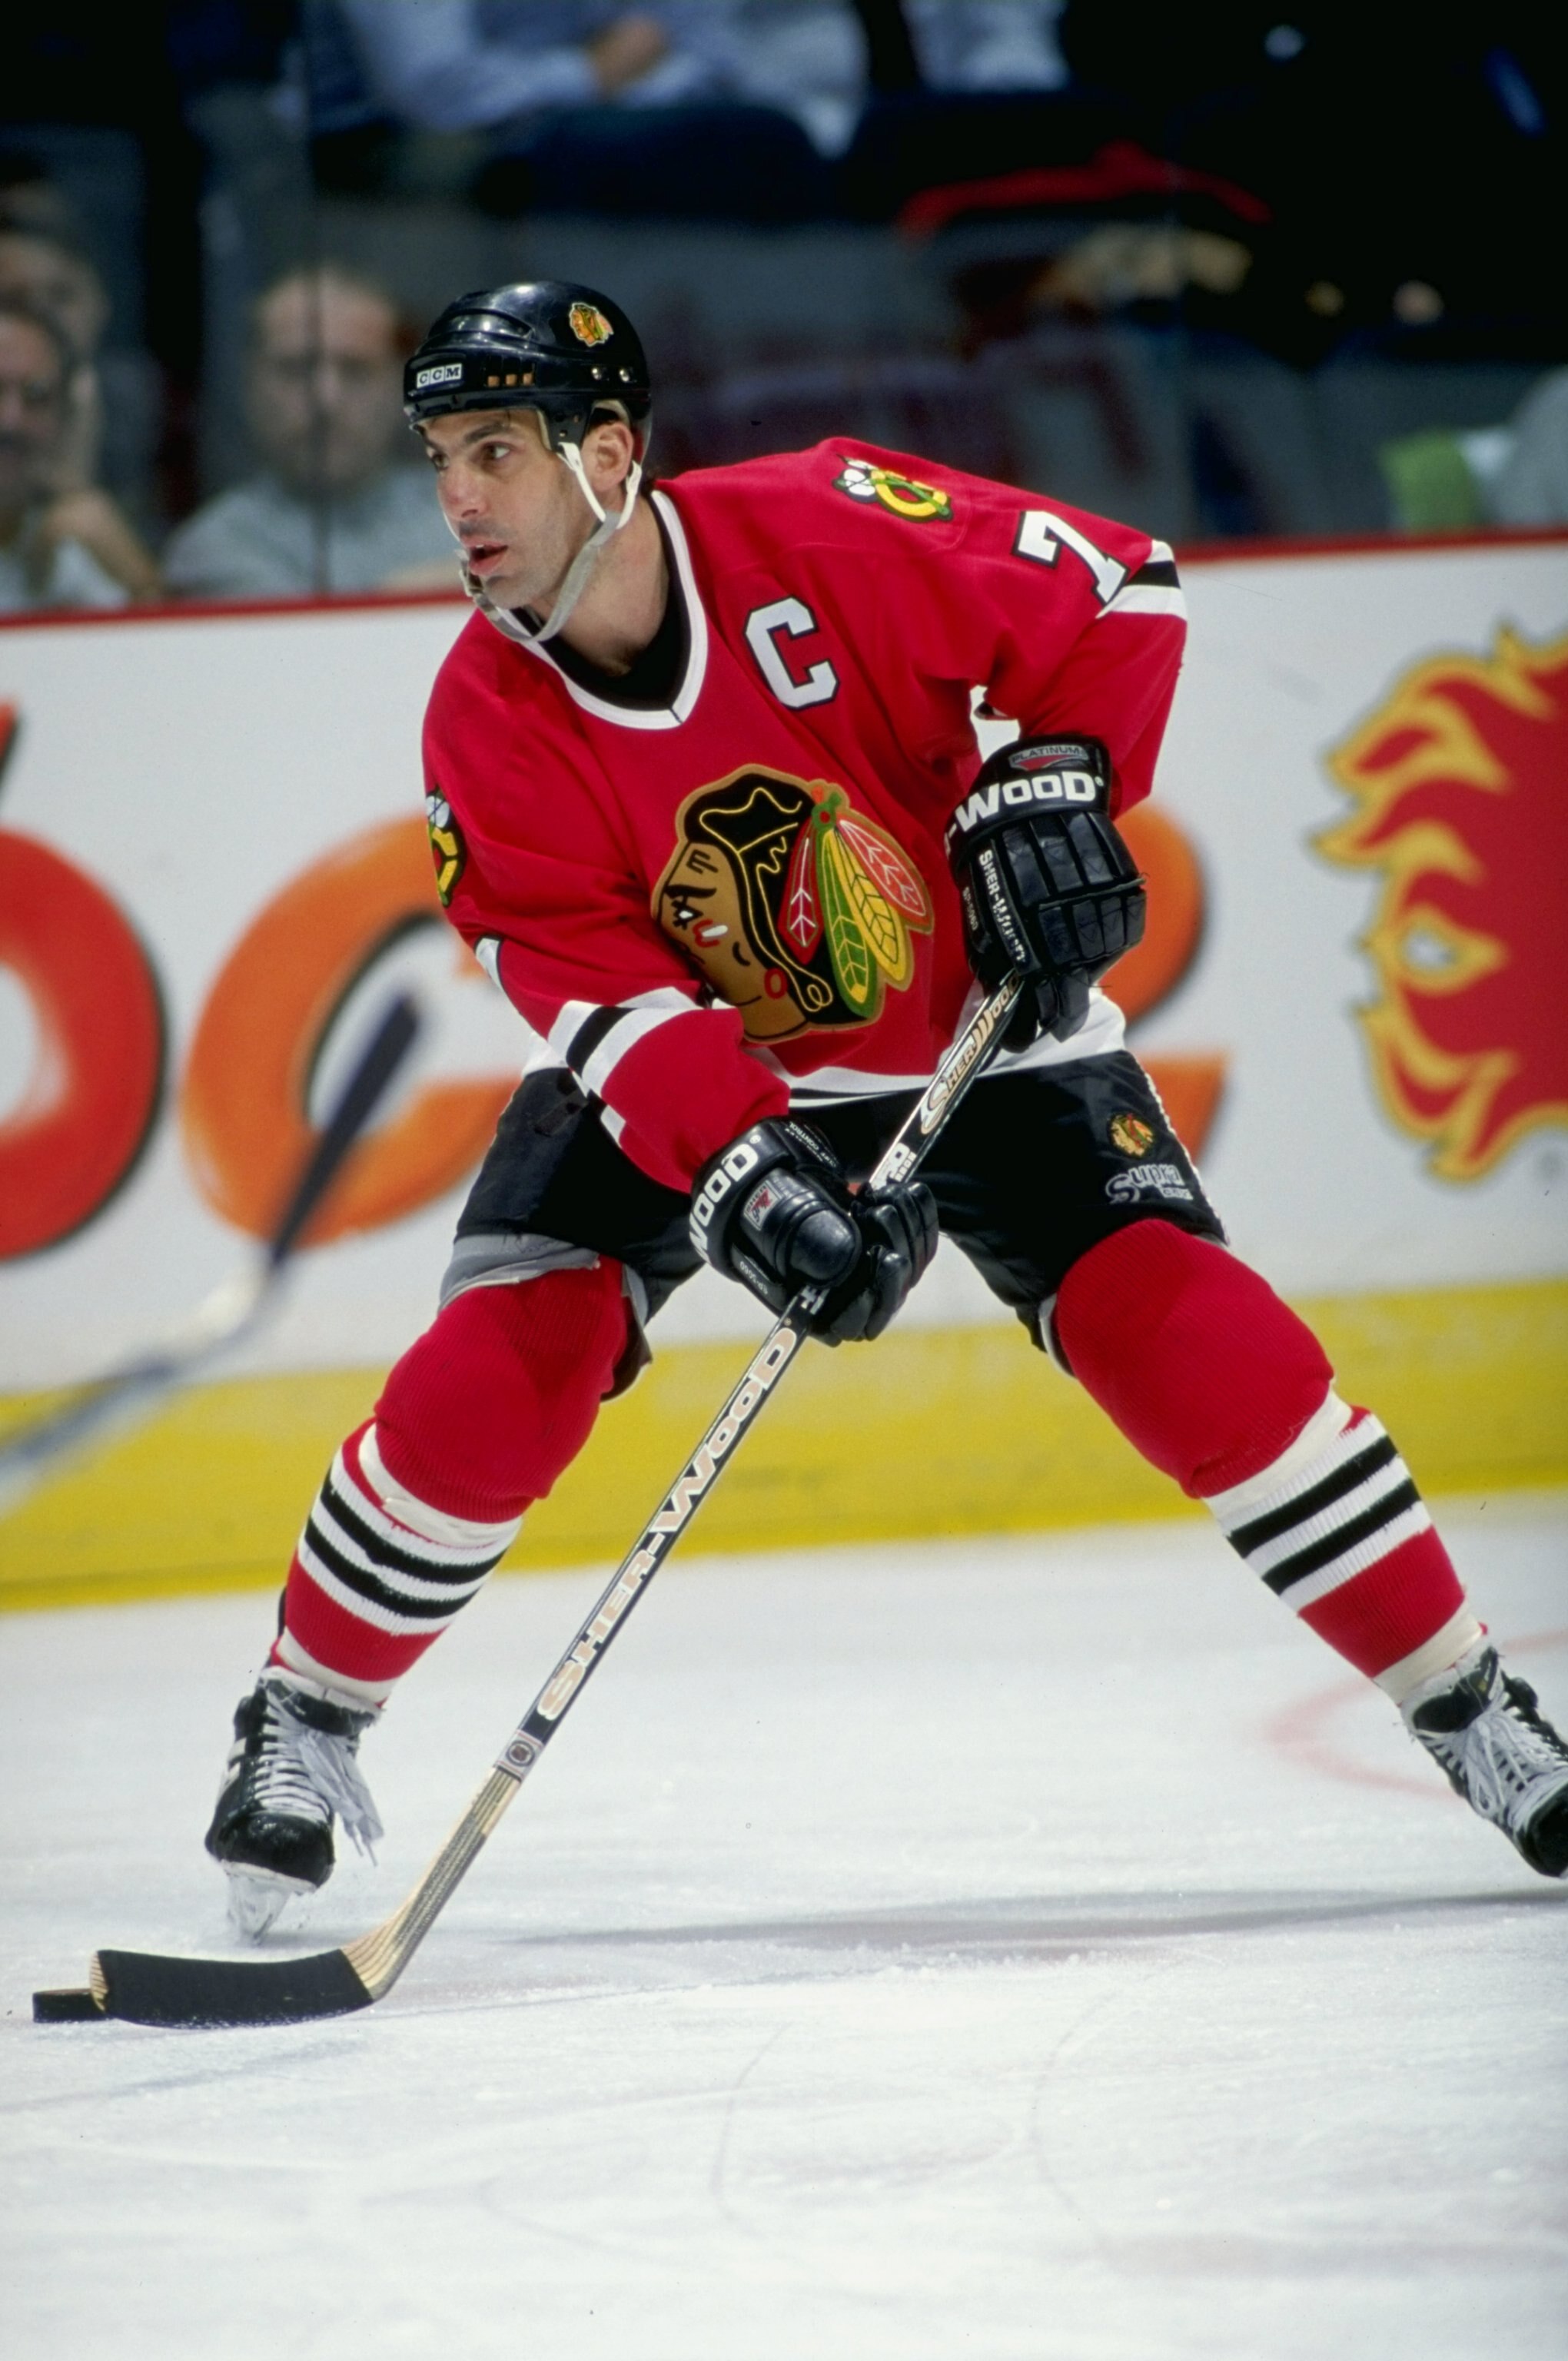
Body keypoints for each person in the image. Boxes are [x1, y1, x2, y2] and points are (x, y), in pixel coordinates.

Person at [205, 280, 1568, 1934]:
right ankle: (301, 1717)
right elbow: (606, 1001)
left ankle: (1473, 1711)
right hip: (709, 1065)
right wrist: (748, 1181)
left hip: (959, 1031)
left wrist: (1056, 776)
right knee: (513, 1355)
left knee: (1186, 1326)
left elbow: (1120, 590)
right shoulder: (483, 723)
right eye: (444, 459)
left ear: (610, 454)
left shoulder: (828, 526)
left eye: (497, 450)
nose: (461, 502)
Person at [163, 265, 457, 600]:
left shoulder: (467, 510)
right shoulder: (212, 545)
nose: (326, 399)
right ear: (251, 386)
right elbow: (316, 647)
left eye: (356, 370)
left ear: (401, 388)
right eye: (297, 369)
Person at [0, 297, 159, 611]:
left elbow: (170, 655)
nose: (11, 420)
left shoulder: (75, 544)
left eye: (37, 396)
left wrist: (141, 583)